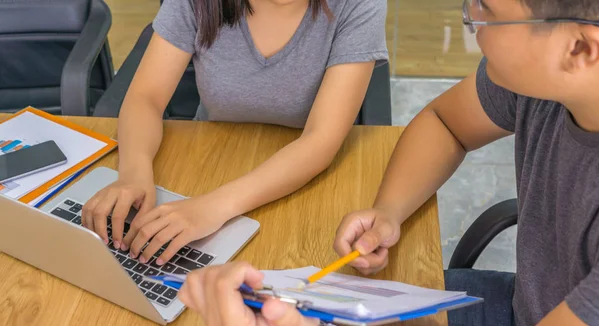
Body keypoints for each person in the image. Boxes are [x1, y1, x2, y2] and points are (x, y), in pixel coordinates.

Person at [178, 0, 599, 326]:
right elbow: (446, 122)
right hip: (523, 315)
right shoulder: (544, 81)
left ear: (580, 47)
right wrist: (388, 210)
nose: (469, 22)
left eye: (485, 11)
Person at [81, 0, 388, 266]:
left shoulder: (359, 5)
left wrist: (213, 208)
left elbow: (320, 140)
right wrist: (133, 173)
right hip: (211, 162)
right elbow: (145, 97)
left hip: (306, 188)